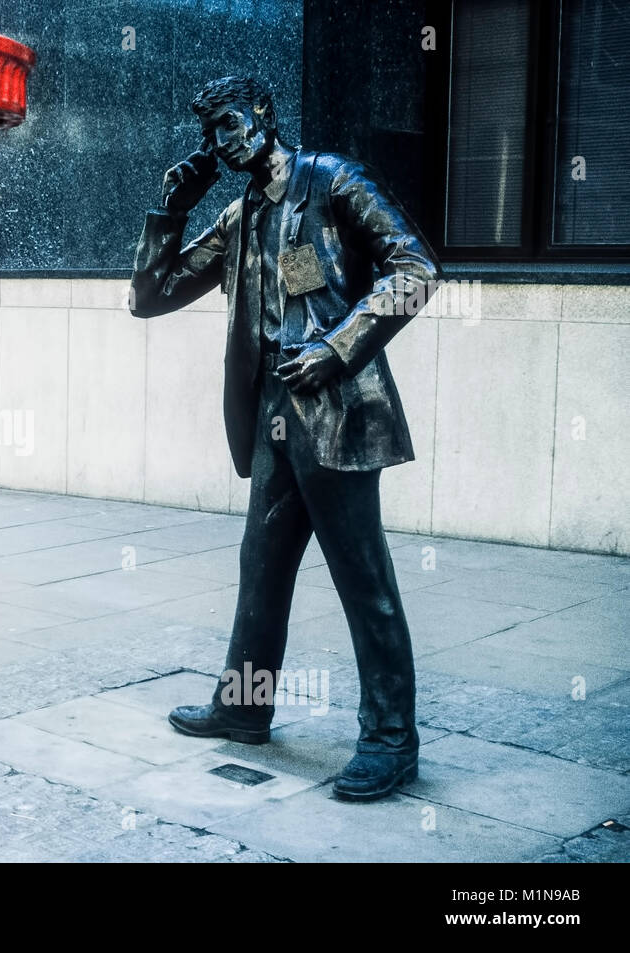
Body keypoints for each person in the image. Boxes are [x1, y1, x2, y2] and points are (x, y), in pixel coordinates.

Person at [129, 76, 442, 802]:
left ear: (265, 113)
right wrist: (169, 211)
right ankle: (243, 705)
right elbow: (149, 296)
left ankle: (392, 738)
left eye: (231, 123)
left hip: (334, 406)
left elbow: (416, 267)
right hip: (272, 414)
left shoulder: (332, 181)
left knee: (363, 579)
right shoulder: (240, 217)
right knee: (261, 570)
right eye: (212, 134)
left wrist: (339, 347)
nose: (223, 142)